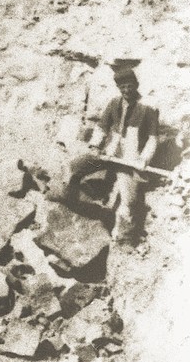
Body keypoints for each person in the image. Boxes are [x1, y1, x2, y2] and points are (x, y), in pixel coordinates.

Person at [59, 60, 160, 244]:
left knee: (129, 204)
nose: (126, 91)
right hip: (108, 154)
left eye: (129, 86)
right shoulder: (114, 103)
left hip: (129, 161)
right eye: (123, 88)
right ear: (119, 88)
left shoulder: (148, 109)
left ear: (136, 86)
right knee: (73, 167)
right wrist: (95, 145)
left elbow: (153, 138)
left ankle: (124, 239)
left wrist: (144, 158)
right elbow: (102, 127)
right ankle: (68, 202)